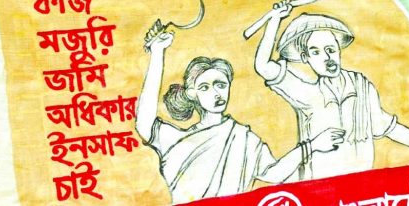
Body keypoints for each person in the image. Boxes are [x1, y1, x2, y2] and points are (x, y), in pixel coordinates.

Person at [137, 28, 344, 203]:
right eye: (205, 87)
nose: (216, 93)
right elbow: (144, 122)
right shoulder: (176, 139)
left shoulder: (243, 137)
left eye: (221, 85)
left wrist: (312, 145)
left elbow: (273, 173)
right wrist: (157, 53)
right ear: (192, 94)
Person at [252, 6, 409, 181]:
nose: (327, 58)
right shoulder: (307, 92)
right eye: (316, 52)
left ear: (339, 49)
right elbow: (263, 66)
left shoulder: (361, 85)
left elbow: (387, 126)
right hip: (319, 190)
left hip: (361, 186)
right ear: (306, 58)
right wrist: (275, 20)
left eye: (330, 49)